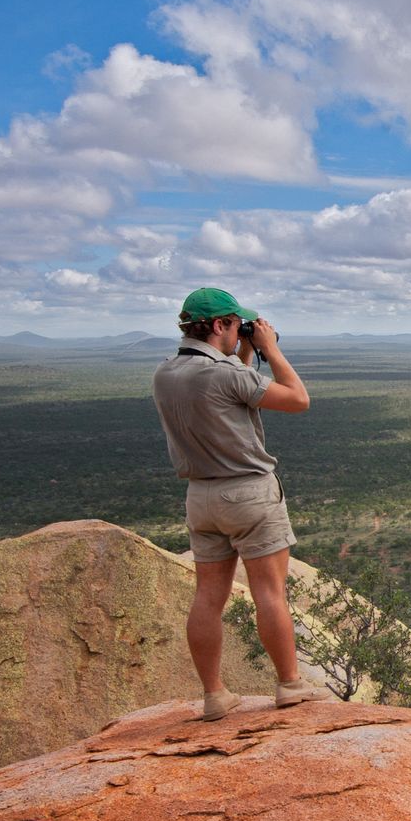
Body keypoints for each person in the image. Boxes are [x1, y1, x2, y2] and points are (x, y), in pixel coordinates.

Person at [152, 287, 330, 720]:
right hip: (248, 493)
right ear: (219, 325)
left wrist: (243, 352)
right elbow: (298, 399)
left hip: (201, 497)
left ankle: (214, 695)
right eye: (235, 325)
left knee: (207, 597)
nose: (241, 332)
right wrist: (269, 348)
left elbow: (228, 391)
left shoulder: (166, 373)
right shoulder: (225, 375)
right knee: (269, 592)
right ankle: (290, 684)